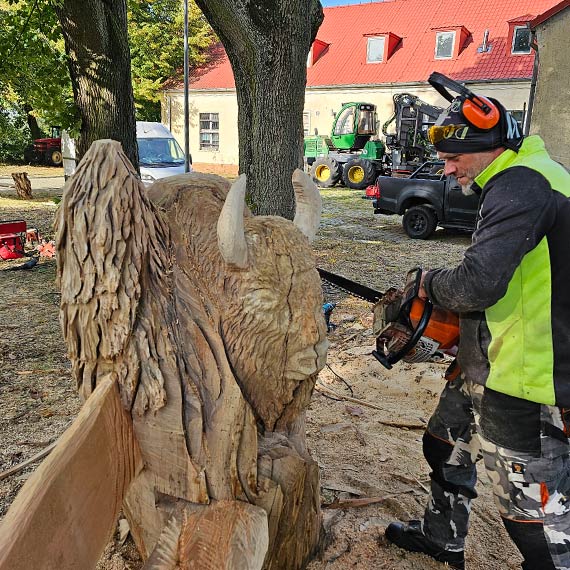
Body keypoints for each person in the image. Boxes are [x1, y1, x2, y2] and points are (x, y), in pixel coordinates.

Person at [384, 72, 570, 570]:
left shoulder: (522, 186)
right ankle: (443, 538)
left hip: (531, 376)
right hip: (488, 359)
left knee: (537, 525)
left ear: (487, 145)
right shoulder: (519, 178)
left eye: (453, 158)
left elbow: (477, 284)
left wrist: (428, 284)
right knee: (444, 445)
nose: (446, 171)